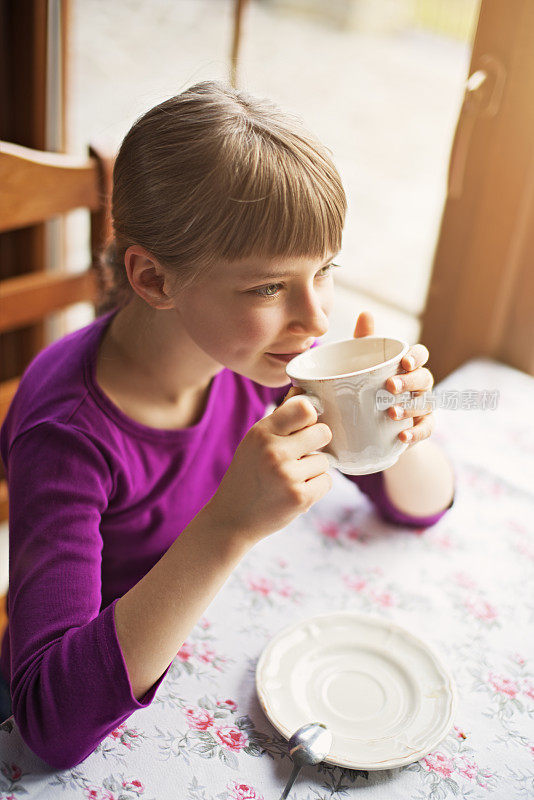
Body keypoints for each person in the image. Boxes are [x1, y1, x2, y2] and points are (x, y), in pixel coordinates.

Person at [0, 81, 455, 768]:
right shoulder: (66, 434)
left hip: (212, 644)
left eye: (324, 270)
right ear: (153, 280)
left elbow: (421, 508)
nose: (316, 318)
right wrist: (228, 526)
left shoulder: (255, 355)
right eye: (269, 286)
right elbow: (49, 723)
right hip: (104, 689)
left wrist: (396, 427)